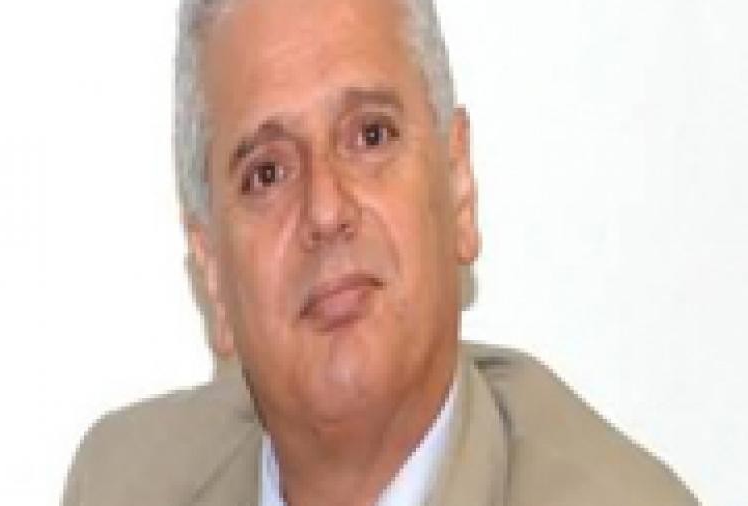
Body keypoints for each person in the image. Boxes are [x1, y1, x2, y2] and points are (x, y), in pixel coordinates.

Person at [62, 0, 698, 504]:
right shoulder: (121, 486)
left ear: (458, 187)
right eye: (267, 174)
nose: (325, 210)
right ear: (212, 273)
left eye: (370, 136)